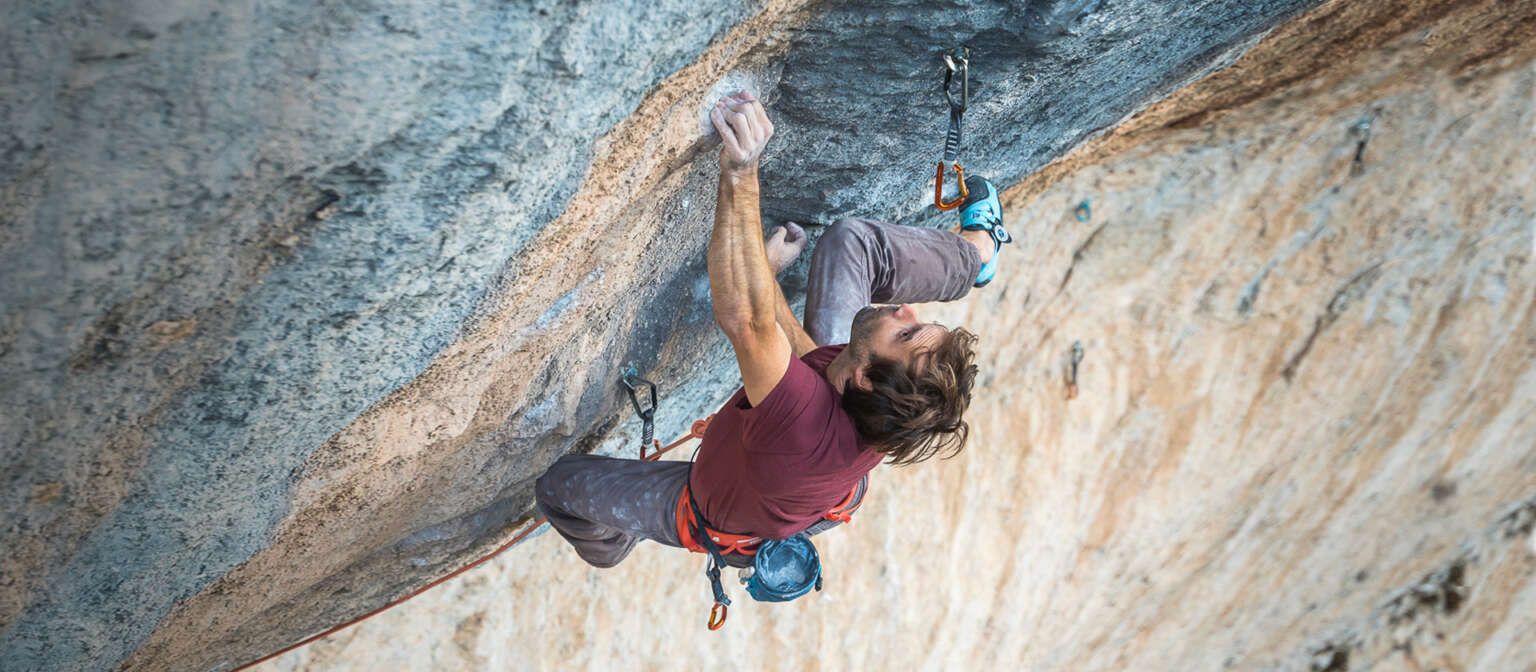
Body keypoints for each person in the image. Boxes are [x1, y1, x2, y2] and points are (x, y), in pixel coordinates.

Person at [535, 90, 1010, 570]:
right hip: (818, 477)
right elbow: (801, 361)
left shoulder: (804, 421)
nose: (904, 310)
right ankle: (979, 254)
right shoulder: (870, 393)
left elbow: (746, 319)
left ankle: (613, 541)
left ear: (866, 377)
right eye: (918, 323)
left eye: (904, 334)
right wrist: (761, 274)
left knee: (557, 486)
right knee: (852, 244)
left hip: (719, 511)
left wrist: (741, 170)